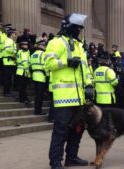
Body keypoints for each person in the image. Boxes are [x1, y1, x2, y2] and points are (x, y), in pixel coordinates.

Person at [45, 13, 93, 169]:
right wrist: (66, 62)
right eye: (77, 28)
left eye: (80, 28)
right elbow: (48, 64)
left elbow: (85, 68)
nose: (79, 30)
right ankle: (55, 161)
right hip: (63, 97)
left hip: (79, 97)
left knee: (78, 128)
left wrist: (89, 85)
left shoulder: (79, 46)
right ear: (67, 26)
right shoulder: (56, 42)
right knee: (61, 130)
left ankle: (71, 157)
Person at [30, 40, 48, 115]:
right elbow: (45, 66)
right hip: (41, 76)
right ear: (40, 46)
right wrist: (48, 75)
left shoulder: (33, 54)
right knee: (40, 95)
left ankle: (36, 110)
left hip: (34, 76)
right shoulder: (43, 54)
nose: (45, 47)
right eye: (43, 45)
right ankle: (38, 111)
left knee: (37, 95)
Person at [1, 28, 17, 97]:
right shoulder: (8, 40)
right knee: (7, 78)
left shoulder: (11, 41)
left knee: (9, 78)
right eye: (14, 33)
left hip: (10, 62)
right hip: (7, 62)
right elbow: (8, 49)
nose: (15, 35)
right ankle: (6, 92)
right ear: (11, 34)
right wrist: (14, 52)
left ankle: (8, 91)